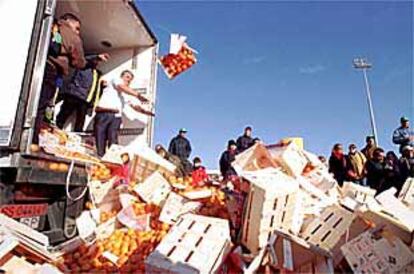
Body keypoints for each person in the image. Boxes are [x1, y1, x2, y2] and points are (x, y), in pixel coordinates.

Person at [33, 13, 87, 144]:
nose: (78, 32)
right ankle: (33, 140)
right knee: (42, 106)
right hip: (52, 70)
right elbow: (79, 62)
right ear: (70, 22)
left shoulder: (53, 26)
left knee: (33, 102)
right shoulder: (72, 35)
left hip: (38, 65)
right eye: (77, 28)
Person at [94, 70, 149, 157]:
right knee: (100, 141)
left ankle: (112, 161)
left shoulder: (125, 95)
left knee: (114, 144)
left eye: (130, 80)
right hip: (104, 113)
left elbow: (134, 106)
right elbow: (121, 86)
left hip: (116, 118)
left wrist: (145, 112)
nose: (128, 80)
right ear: (121, 77)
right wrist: (138, 95)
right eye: (127, 77)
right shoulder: (115, 80)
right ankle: (99, 159)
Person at [56, 53, 109, 132]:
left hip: (85, 100)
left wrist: (102, 87)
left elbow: (95, 89)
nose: (97, 62)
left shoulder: (97, 73)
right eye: (96, 60)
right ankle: (55, 129)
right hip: (74, 95)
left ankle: (77, 136)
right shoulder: (83, 66)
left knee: (80, 121)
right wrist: (97, 56)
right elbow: (85, 59)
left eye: (98, 61)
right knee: (64, 114)